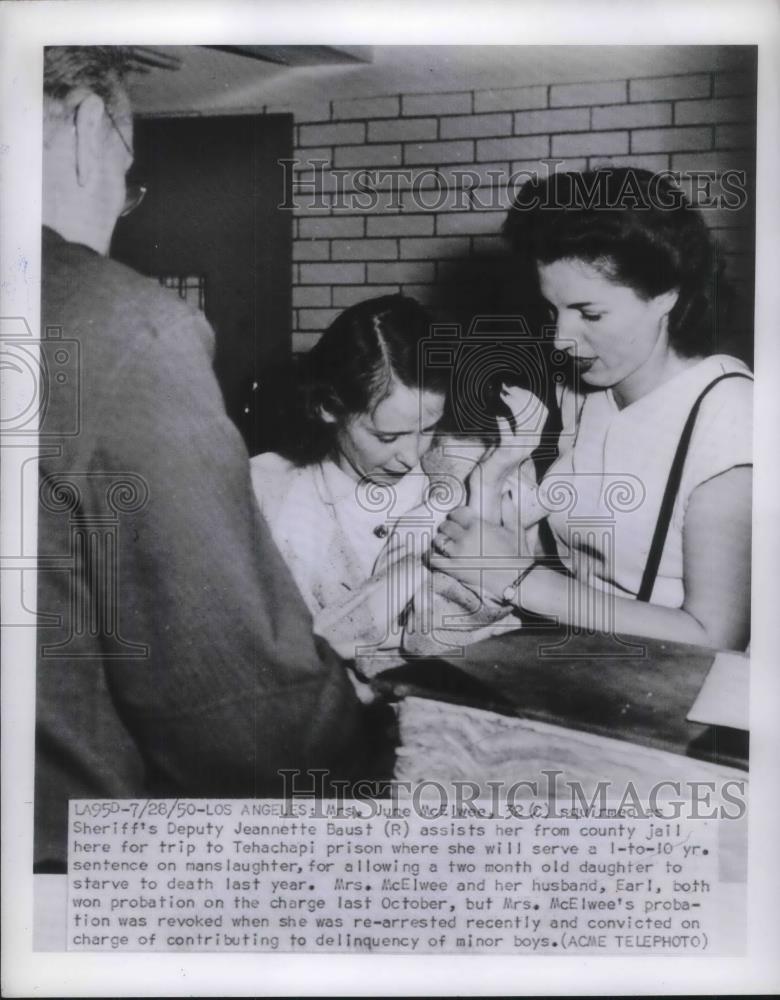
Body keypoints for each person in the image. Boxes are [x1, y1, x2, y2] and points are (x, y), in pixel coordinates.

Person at [36, 47, 377, 871]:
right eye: (128, 175)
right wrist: (364, 727)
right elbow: (236, 718)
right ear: (88, 128)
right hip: (65, 864)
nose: (120, 209)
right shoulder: (114, 322)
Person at [431, 168, 752, 652]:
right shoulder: (587, 391)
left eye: (590, 313)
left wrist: (519, 578)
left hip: (680, 697)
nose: (560, 339)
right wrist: (493, 476)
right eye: (552, 310)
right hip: (589, 665)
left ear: (667, 294)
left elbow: (716, 634)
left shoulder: (730, 417)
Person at [250, 295, 475, 671]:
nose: (411, 456)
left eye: (428, 429)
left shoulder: (466, 477)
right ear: (328, 408)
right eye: (388, 437)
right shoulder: (268, 492)